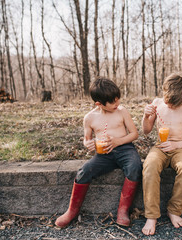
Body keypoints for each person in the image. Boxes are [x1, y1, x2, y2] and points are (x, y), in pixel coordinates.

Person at [55, 77, 142, 228]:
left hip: (125, 149)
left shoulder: (121, 111)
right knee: (84, 171)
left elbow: (134, 134)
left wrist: (118, 141)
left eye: (118, 99)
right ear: (99, 103)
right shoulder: (89, 118)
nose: (117, 104)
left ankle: (122, 211)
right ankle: (72, 211)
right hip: (103, 154)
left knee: (135, 166)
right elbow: (87, 139)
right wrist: (88, 144)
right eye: (113, 102)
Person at [141, 73, 182, 236]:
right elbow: (146, 131)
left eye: (173, 104)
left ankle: (174, 210)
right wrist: (146, 116)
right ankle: (151, 216)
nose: (169, 106)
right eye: (167, 101)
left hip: (180, 147)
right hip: (160, 147)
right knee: (149, 167)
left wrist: (177, 144)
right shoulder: (157, 103)